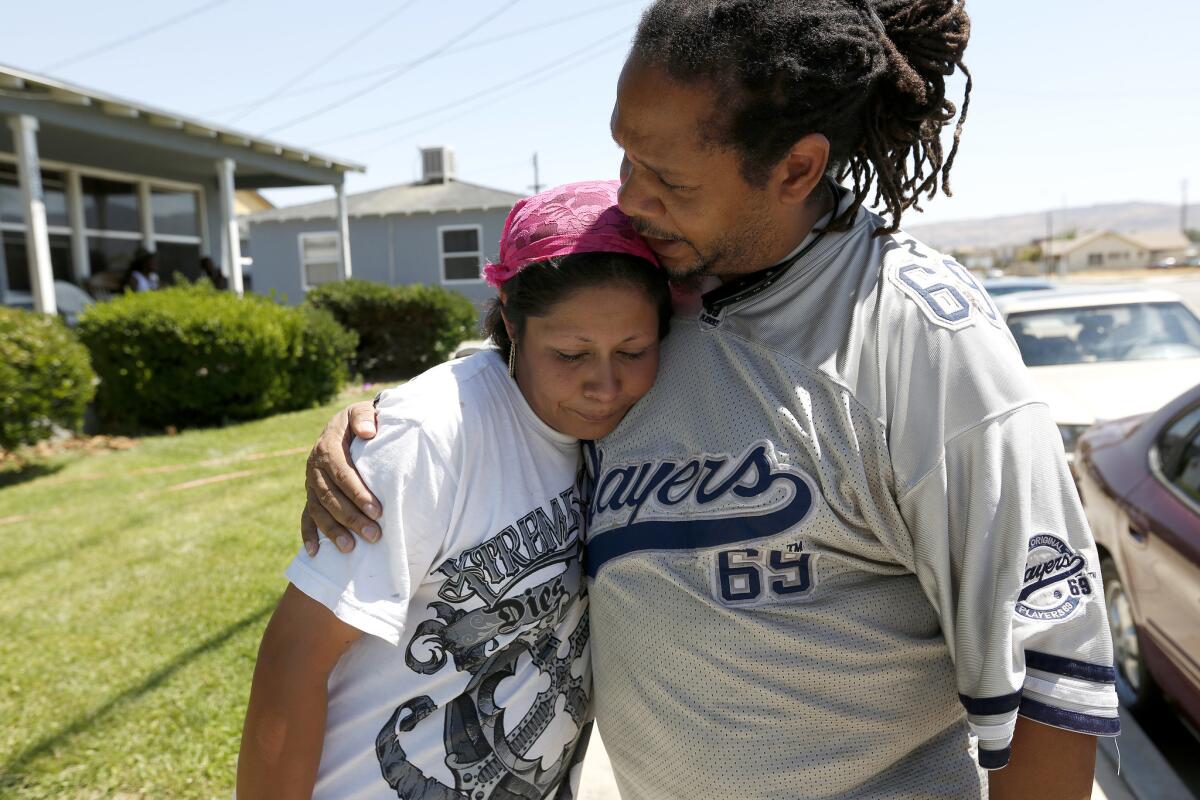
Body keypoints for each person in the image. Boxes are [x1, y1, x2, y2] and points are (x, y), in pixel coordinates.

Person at [300, 2, 1119, 798]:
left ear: (796, 167)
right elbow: (528, 367)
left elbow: (1050, 679)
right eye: (625, 158)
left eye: (666, 178)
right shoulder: (655, 299)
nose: (629, 200)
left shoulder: (917, 342)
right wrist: (389, 426)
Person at [237, 181, 672, 800]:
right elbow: (292, 661)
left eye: (633, 349)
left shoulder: (621, 429)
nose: (606, 385)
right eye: (571, 354)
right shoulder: (428, 437)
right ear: (511, 325)